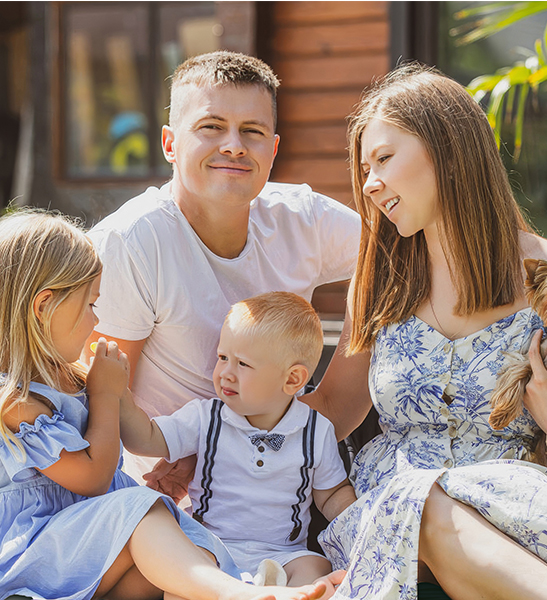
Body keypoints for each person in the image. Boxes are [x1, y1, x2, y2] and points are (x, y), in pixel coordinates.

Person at [300, 65, 547, 599]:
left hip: (527, 506)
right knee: (428, 500)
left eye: (383, 159)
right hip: (395, 514)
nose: (370, 184)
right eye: (365, 169)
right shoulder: (381, 281)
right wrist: (220, 434)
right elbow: (331, 407)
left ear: (447, 150)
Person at [0, 211, 341, 600]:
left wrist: (119, 399)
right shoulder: (10, 402)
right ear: (44, 306)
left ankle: (231, 591)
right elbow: (92, 479)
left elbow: (130, 442)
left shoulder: (71, 379)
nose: (95, 319)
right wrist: (105, 394)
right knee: (144, 514)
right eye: (90, 305)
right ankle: (238, 595)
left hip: (94, 543)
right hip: (37, 548)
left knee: (191, 560)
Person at [85, 51, 360, 499]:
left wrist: (329, 403)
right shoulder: (132, 242)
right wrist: (199, 452)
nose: (234, 145)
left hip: (288, 482)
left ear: (272, 149)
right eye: (211, 127)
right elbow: (103, 401)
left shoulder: (302, 218)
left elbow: (403, 253)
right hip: (167, 497)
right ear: (170, 144)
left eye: (252, 131)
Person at [120, 292, 356, 588]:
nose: (225, 373)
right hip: (208, 545)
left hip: (283, 553)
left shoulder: (314, 431)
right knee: (181, 575)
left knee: (316, 567)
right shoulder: (206, 417)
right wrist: (120, 397)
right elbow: (148, 438)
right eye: (223, 358)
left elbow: (332, 494)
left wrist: (359, 522)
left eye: (242, 364)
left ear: (292, 379)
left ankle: (300, 592)